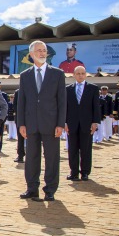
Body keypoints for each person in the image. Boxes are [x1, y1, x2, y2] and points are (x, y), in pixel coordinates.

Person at [17, 40, 66, 201]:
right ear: (31, 54)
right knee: (31, 157)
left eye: (44, 50)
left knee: (52, 157)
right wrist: (21, 123)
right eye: (39, 50)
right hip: (31, 124)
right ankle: (32, 188)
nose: (42, 53)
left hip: (51, 124)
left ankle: (50, 189)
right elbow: (21, 101)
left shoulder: (57, 74)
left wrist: (60, 123)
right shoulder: (25, 75)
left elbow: (62, 101)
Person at [65, 66, 101, 181]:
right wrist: (64, 122)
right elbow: (65, 107)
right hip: (72, 124)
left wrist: (95, 122)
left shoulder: (93, 88)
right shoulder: (68, 89)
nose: (80, 75)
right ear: (74, 75)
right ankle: (74, 173)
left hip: (87, 124)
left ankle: (85, 172)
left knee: (86, 149)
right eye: (78, 73)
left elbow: (96, 107)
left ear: (86, 75)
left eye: (82, 73)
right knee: (72, 149)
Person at [13, 88, 25, 163]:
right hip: (20, 119)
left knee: (32, 139)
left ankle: (32, 157)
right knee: (20, 138)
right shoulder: (18, 92)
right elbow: (15, 106)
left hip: (31, 119)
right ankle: (20, 155)